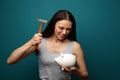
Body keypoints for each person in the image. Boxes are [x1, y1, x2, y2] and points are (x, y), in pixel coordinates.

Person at [7, 10, 88, 80]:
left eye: (68, 29)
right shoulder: (40, 43)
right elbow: (11, 61)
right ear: (53, 25)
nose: (64, 32)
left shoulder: (75, 46)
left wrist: (74, 70)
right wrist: (30, 42)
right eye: (61, 28)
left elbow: (85, 77)